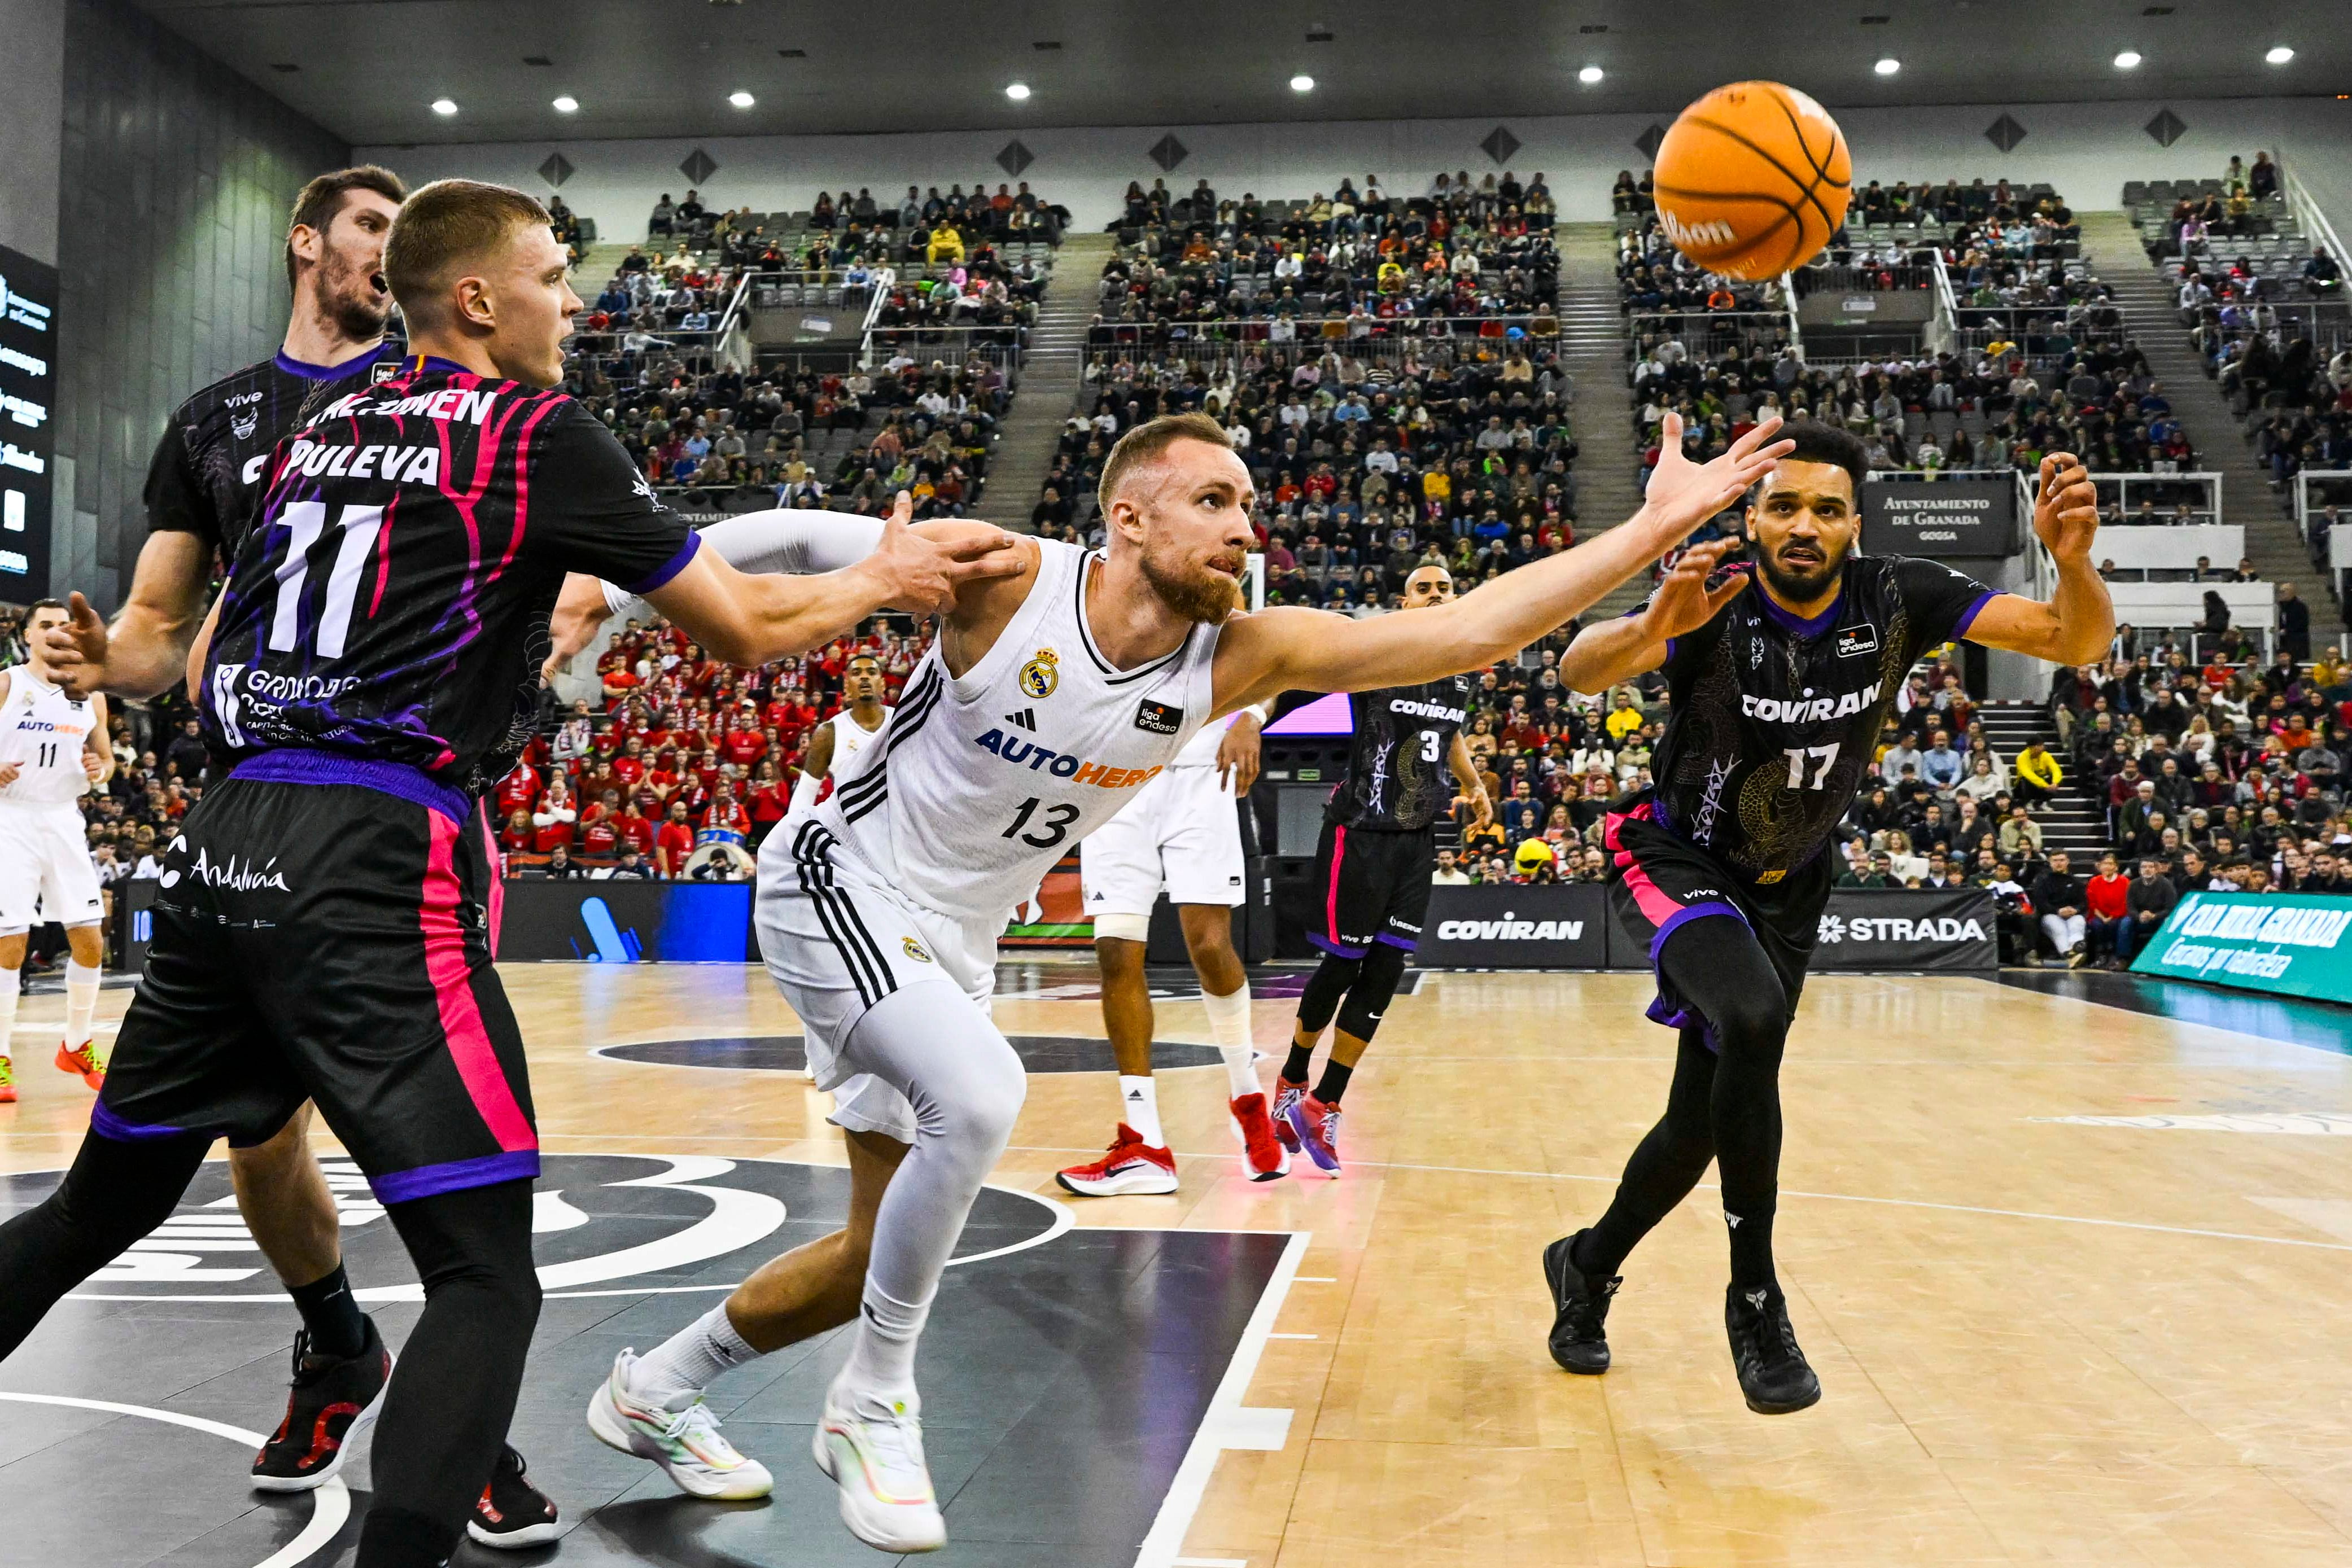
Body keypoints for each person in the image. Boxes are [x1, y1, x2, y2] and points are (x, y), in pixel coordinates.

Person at [11, 178, 1018, 1568]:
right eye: (552, 275)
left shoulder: (320, 429)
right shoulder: (536, 432)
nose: (575, 303)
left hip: (221, 836)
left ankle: (343, 1370)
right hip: (369, 852)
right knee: (484, 1276)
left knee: (93, 1207)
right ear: (478, 299)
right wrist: (884, 574)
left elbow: (204, 653)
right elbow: (740, 625)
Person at [577, 408, 1789, 1552]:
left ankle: (656, 1389)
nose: (1245, 527)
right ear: (1130, 522)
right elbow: (784, 536)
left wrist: (1648, 529)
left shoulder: (1240, 659)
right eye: (1214, 500)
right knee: (984, 1097)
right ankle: (875, 1403)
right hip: (836, 876)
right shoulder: (1005, 578)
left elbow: (1472, 632)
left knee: (868, 1253)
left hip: (948, 938)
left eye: (1251, 505)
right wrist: (612, 584)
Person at [80, 162, 566, 1540]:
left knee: (437, 1177)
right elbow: (160, 635)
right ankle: (343, 1341)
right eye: (367, 221)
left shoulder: (467, 412)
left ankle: (458, 1421)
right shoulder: (234, 421)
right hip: (274, 807)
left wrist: (560, 620)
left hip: (395, 813)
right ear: (314, 246)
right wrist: (98, 657)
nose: (382, 243)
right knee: (280, 1146)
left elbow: (550, 575)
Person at [1536, 426, 2113, 1416]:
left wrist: (2071, 563)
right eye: (1783, 505)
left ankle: (1584, 1265)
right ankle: (1755, 1297)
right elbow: (1579, 672)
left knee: (1697, 1122)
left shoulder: (1900, 595)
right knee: (1753, 1019)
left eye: (1826, 508)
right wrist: (1650, 628)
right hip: (1679, 854)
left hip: (1790, 878)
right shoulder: (1710, 587)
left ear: (1856, 524)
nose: (1803, 525)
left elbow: (2074, 640)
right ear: (1750, 515)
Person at [1275, 563, 1494, 1177]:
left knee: (1388, 968)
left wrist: (1473, 785)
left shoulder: (1456, 670)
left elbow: (1446, 735)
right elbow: (1295, 667)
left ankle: (1327, 1101)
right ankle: (1293, 1076)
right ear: (1401, 602)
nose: (1435, 595)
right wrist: (1247, 716)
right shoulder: (1375, 656)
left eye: (1444, 588)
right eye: (1423, 587)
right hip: (1360, 832)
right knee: (1343, 964)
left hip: (1417, 839)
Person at [1057, 700, 1283, 1195]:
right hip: (1114, 776)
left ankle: (1248, 1101)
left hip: (1202, 771)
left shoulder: (1217, 618)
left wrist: (1251, 717)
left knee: (1209, 946)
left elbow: (1269, 665)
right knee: (1115, 951)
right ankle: (1146, 1144)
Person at [0, 599, 114, 1104]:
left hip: (65, 819)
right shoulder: (7, 685)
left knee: (91, 942)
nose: (54, 632)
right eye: (43, 625)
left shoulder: (91, 694)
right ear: (27, 636)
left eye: (61, 625)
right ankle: (0, 1057)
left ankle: (76, 1045)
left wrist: (99, 769)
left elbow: (107, 760)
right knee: (10, 947)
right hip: (11, 819)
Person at [790, 651, 891, 814]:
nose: (864, 677)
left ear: (883, 684)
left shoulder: (903, 721)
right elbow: (806, 791)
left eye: (872, 673)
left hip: (898, 828)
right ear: (846, 686)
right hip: (849, 828)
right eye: (857, 673)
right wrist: (795, 832)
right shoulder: (828, 732)